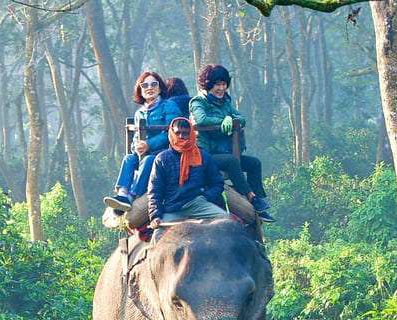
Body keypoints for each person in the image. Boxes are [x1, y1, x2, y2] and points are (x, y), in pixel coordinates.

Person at [189, 64, 275, 223]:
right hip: (205, 154)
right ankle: (251, 197)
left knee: (254, 163)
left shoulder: (225, 102)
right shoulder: (198, 102)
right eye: (217, 84)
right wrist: (223, 120)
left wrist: (231, 119)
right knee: (231, 161)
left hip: (225, 152)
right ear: (208, 85)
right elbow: (201, 119)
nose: (221, 88)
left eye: (223, 84)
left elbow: (241, 118)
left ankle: (259, 205)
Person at [104, 71, 182, 211]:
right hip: (144, 152)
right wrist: (136, 147)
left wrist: (148, 144)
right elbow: (135, 137)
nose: (149, 88)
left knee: (149, 160)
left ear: (160, 88)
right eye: (145, 85)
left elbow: (172, 132)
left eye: (154, 84)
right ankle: (122, 193)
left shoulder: (169, 106)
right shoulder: (139, 112)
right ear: (140, 89)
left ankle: (132, 196)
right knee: (129, 158)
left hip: (165, 152)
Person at [148, 117, 228, 228]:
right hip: (173, 208)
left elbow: (217, 183)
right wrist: (155, 216)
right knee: (158, 236)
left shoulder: (203, 156)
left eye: (185, 133)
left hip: (198, 204)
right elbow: (155, 191)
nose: (181, 136)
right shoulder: (161, 159)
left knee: (226, 220)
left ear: (191, 134)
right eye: (178, 133)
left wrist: (205, 196)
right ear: (172, 133)